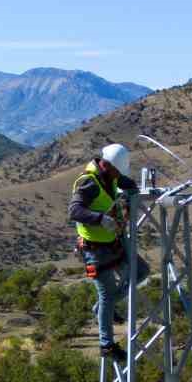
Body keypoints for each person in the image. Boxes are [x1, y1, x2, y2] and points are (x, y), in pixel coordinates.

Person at [68, 143, 149, 364]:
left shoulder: (110, 175)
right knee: (106, 295)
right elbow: (74, 210)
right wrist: (100, 218)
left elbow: (126, 183)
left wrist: (133, 190)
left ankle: (103, 309)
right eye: (117, 171)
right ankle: (107, 345)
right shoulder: (89, 183)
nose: (119, 176)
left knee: (141, 271)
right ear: (108, 165)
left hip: (112, 245)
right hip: (95, 250)